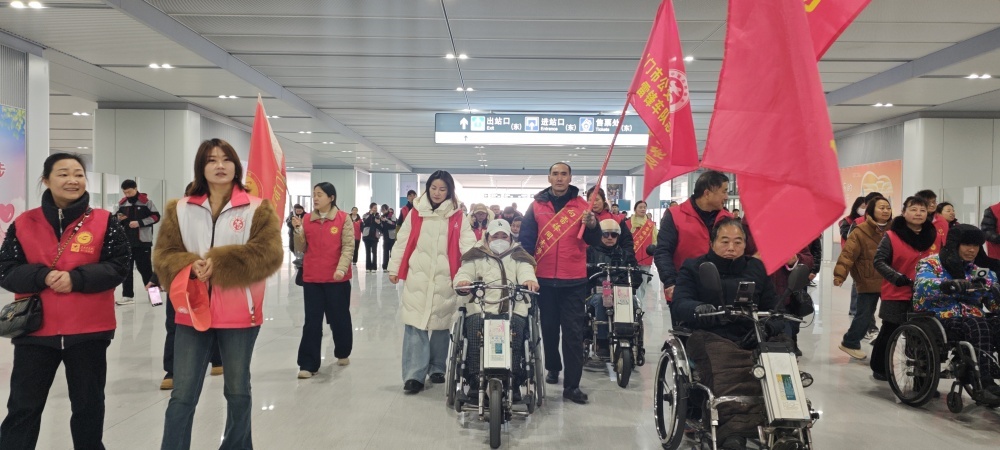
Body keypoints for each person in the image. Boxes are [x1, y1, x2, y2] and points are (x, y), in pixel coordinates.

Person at [154, 138, 283, 450]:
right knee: (182, 395)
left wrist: (221, 263)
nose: (220, 166)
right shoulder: (180, 209)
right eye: (211, 160)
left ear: (236, 166)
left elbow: (270, 254)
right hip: (191, 311)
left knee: (237, 391)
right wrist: (188, 265)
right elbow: (164, 255)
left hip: (240, 313)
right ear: (201, 167)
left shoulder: (258, 208)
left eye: (226, 159)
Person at [0, 153, 131, 449]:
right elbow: (5, 270)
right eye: (63, 174)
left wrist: (77, 279)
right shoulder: (24, 222)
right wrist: (42, 276)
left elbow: (119, 265)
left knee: (88, 408)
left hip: (89, 331)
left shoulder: (104, 221)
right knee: (23, 408)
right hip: (34, 331)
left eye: (78, 174)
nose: (72, 180)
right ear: (46, 180)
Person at [670, 218, 781, 449]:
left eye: (738, 242)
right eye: (725, 241)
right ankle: (733, 430)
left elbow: (772, 307)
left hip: (751, 334)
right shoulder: (694, 267)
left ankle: (784, 420)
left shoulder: (756, 268)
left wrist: (771, 325)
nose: (731, 247)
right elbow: (680, 303)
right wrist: (698, 308)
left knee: (781, 352)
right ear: (712, 243)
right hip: (710, 334)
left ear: (745, 245)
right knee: (728, 366)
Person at [519, 162, 602, 404]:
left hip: (573, 280)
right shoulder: (536, 206)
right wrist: (526, 272)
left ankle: (572, 385)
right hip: (544, 280)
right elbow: (526, 241)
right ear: (549, 177)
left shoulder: (583, 207)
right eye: (555, 174)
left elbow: (595, 240)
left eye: (563, 174)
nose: (559, 178)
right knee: (549, 328)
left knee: (573, 333)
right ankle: (553, 367)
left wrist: (592, 224)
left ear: (570, 178)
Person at [388, 171, 476, 394]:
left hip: (445, 277)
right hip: (418, 275)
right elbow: (402, 241)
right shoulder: (416, 212)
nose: (437, 193)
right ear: (427, 189)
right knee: (415, 324)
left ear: (449, 191)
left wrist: (470, 274)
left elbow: (468, 247)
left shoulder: (458, 216)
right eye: (433, 188)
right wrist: (394, 267)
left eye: (442, 189)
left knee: (441, 324)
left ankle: (437, 367)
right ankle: (413, 375)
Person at [453, 219, 539, 402]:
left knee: (516, 334)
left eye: (504, 236)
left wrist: (529, 281)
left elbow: (526, 270)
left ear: (510, 238)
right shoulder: (475, 255)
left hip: (513, 307)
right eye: (495, 236)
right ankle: (476, 381)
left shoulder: (519, 255)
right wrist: (463, 282)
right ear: (487, 237)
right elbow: (465, 272)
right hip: (480, 306)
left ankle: (513, 381)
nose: (500, 239)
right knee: (475, 331)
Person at [912, 224, 1000, 402]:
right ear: (955, 245)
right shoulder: (931, 263)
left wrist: (996, 295)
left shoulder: (979, 271)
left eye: (976, 246)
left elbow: (992, 305)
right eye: (967, 245)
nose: (972, 250)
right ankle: (983, 382)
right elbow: (921, 285)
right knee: (976, 324)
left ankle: (986, 369)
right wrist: (946, 285)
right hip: (939, 315)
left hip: (972, 317)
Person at [157, 183, 223, 391]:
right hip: (182, 281)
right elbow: (166, 250)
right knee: (175, 325)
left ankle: (217, 359)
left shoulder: (220, 219)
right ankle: (172, 371)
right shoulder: (177, 215)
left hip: (213, 282)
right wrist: (157, 275)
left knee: (214, 321)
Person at [871, 196, 941, 381]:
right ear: (904, 212)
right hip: (897, 292)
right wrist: (897, 278)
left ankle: (922, 379)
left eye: (922, 210)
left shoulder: (934, 236)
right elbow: (879, 261)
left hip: (926, 294)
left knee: (922, 334)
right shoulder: (891, 236)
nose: (918, 213)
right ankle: (880, 367)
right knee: (890, 330)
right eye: (913, 209)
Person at [291, 182, 355, 378]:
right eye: (314, 194)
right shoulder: (307, 219)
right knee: (312, 321)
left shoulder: (343, 218)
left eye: (320, 194)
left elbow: (348, 247)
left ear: (331, 198)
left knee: (339, 318)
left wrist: (341, 269)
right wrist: (298, 231)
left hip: (337, 279)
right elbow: (300, 248)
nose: (316, 198)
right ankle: (308, 364)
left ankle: (342, 351)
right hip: (312, 279)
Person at [654, 170, 732, 303]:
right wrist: (670, 282)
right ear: (707, 193)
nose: (726, 197)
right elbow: (663, 251)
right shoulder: (675, 215)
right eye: (724, 191)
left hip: (721, 290)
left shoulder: (727, 219)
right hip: (685, 289)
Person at [834, 196, 891, 360]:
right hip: (867, 277)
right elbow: (848, 254)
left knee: (891, 315)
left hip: (889, 279)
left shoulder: (894, 229)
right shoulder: (860, 230)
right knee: (865, 314)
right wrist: (840, 275)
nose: (885, 211)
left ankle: (886, 343)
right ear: (871, 210)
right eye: (881, 207)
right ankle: (850, 342)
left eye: (888, 208)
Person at [585, 219, 641, 358]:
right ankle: (602, 341)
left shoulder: (626, 254)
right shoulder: (590, 252)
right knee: (600, 301)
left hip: (621, 292)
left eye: (614, 235)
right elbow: (583, 275)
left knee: (634, 302)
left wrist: (627, 280)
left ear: (618, 236)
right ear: (600, 235)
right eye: (606, 234)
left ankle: (633, 338)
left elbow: (637, 276)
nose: (610, 238)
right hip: (597, 293)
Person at [116, 179, 160, 305]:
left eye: (129, 192)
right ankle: (127, 296)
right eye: (125, 192)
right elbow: (116, 217)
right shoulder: (122, 203)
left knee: (146, 269)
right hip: (126, 242)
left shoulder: (147, 202)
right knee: (127, 269)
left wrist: (139, 223)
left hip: (143, 242)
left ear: (135, 188)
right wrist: (120, 219)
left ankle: (155, 298)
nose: (127, 195)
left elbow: (156, 217)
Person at [626, 200, 656, 303]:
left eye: (644, 207)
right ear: (635, 209)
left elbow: (655, 241)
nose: (643, 209)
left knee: (643, 283)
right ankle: (633, 303)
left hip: (646, 258)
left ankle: (640, 304)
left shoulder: (651, 225)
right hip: (631, 258)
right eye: (640, 207)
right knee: (631, 282)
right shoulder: (628, 224)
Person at [362, 202, 382, 273]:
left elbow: (380, 227)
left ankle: (374, 267)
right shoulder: (365, 215)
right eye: (374, 208)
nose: (375, 209)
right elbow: (365, 222)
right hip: (367, 236)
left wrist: (379, 223)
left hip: (374, 236)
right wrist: (370, 215)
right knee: (367, 252)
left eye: (376, 208)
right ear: (371, 208)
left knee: (374, 252)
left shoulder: (378, 216)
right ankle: (368, 267)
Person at [381, 207, 397, 271]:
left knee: (392, 252)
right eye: (382, 210)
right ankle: (385, 266)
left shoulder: (392, 215)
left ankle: (391, 266)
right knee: (385, 251)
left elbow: (394, 224)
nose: (384, 211)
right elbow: (382, 226)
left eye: (385, 210)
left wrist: (387, 220)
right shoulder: (382, 216)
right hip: (385, 236)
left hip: (391, 236)